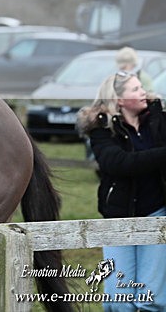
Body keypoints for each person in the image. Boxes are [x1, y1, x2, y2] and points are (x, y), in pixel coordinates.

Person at [78, 71, 166, 310]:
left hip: (156, 213)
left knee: (154, 298)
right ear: (119, 100)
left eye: (142, 88)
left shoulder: (158, 120)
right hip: (118, 218)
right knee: (119, 299)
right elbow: (120, 163)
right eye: (136, 89)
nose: (143, 93)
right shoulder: (101, 129)